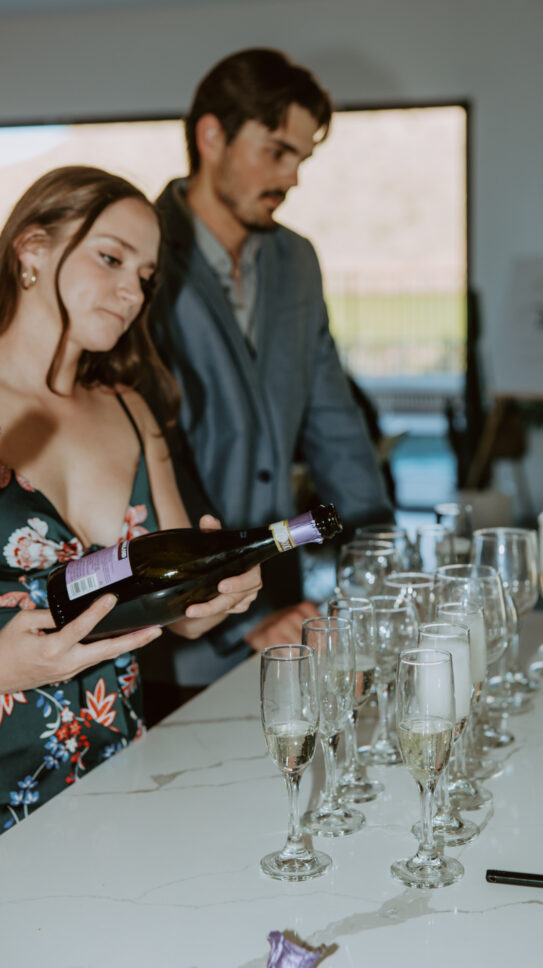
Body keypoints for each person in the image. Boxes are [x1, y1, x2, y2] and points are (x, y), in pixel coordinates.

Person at [0, 166, 261, 830]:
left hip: (113, 769)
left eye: (145, 277)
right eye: (110, 258)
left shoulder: (131, 408)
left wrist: (214, 598)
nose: (131, 292)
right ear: (31, 249)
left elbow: (179, 613)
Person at [149, 48, 393, 679]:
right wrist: (222, 605)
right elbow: (141, 454)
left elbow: (333, 415)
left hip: (279, 594)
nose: (292, 178)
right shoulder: (136, 253)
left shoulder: (298, 261)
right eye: (277, 152)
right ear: (212, 135)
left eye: (302, 159)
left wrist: (377, 555)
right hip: (174, 620)